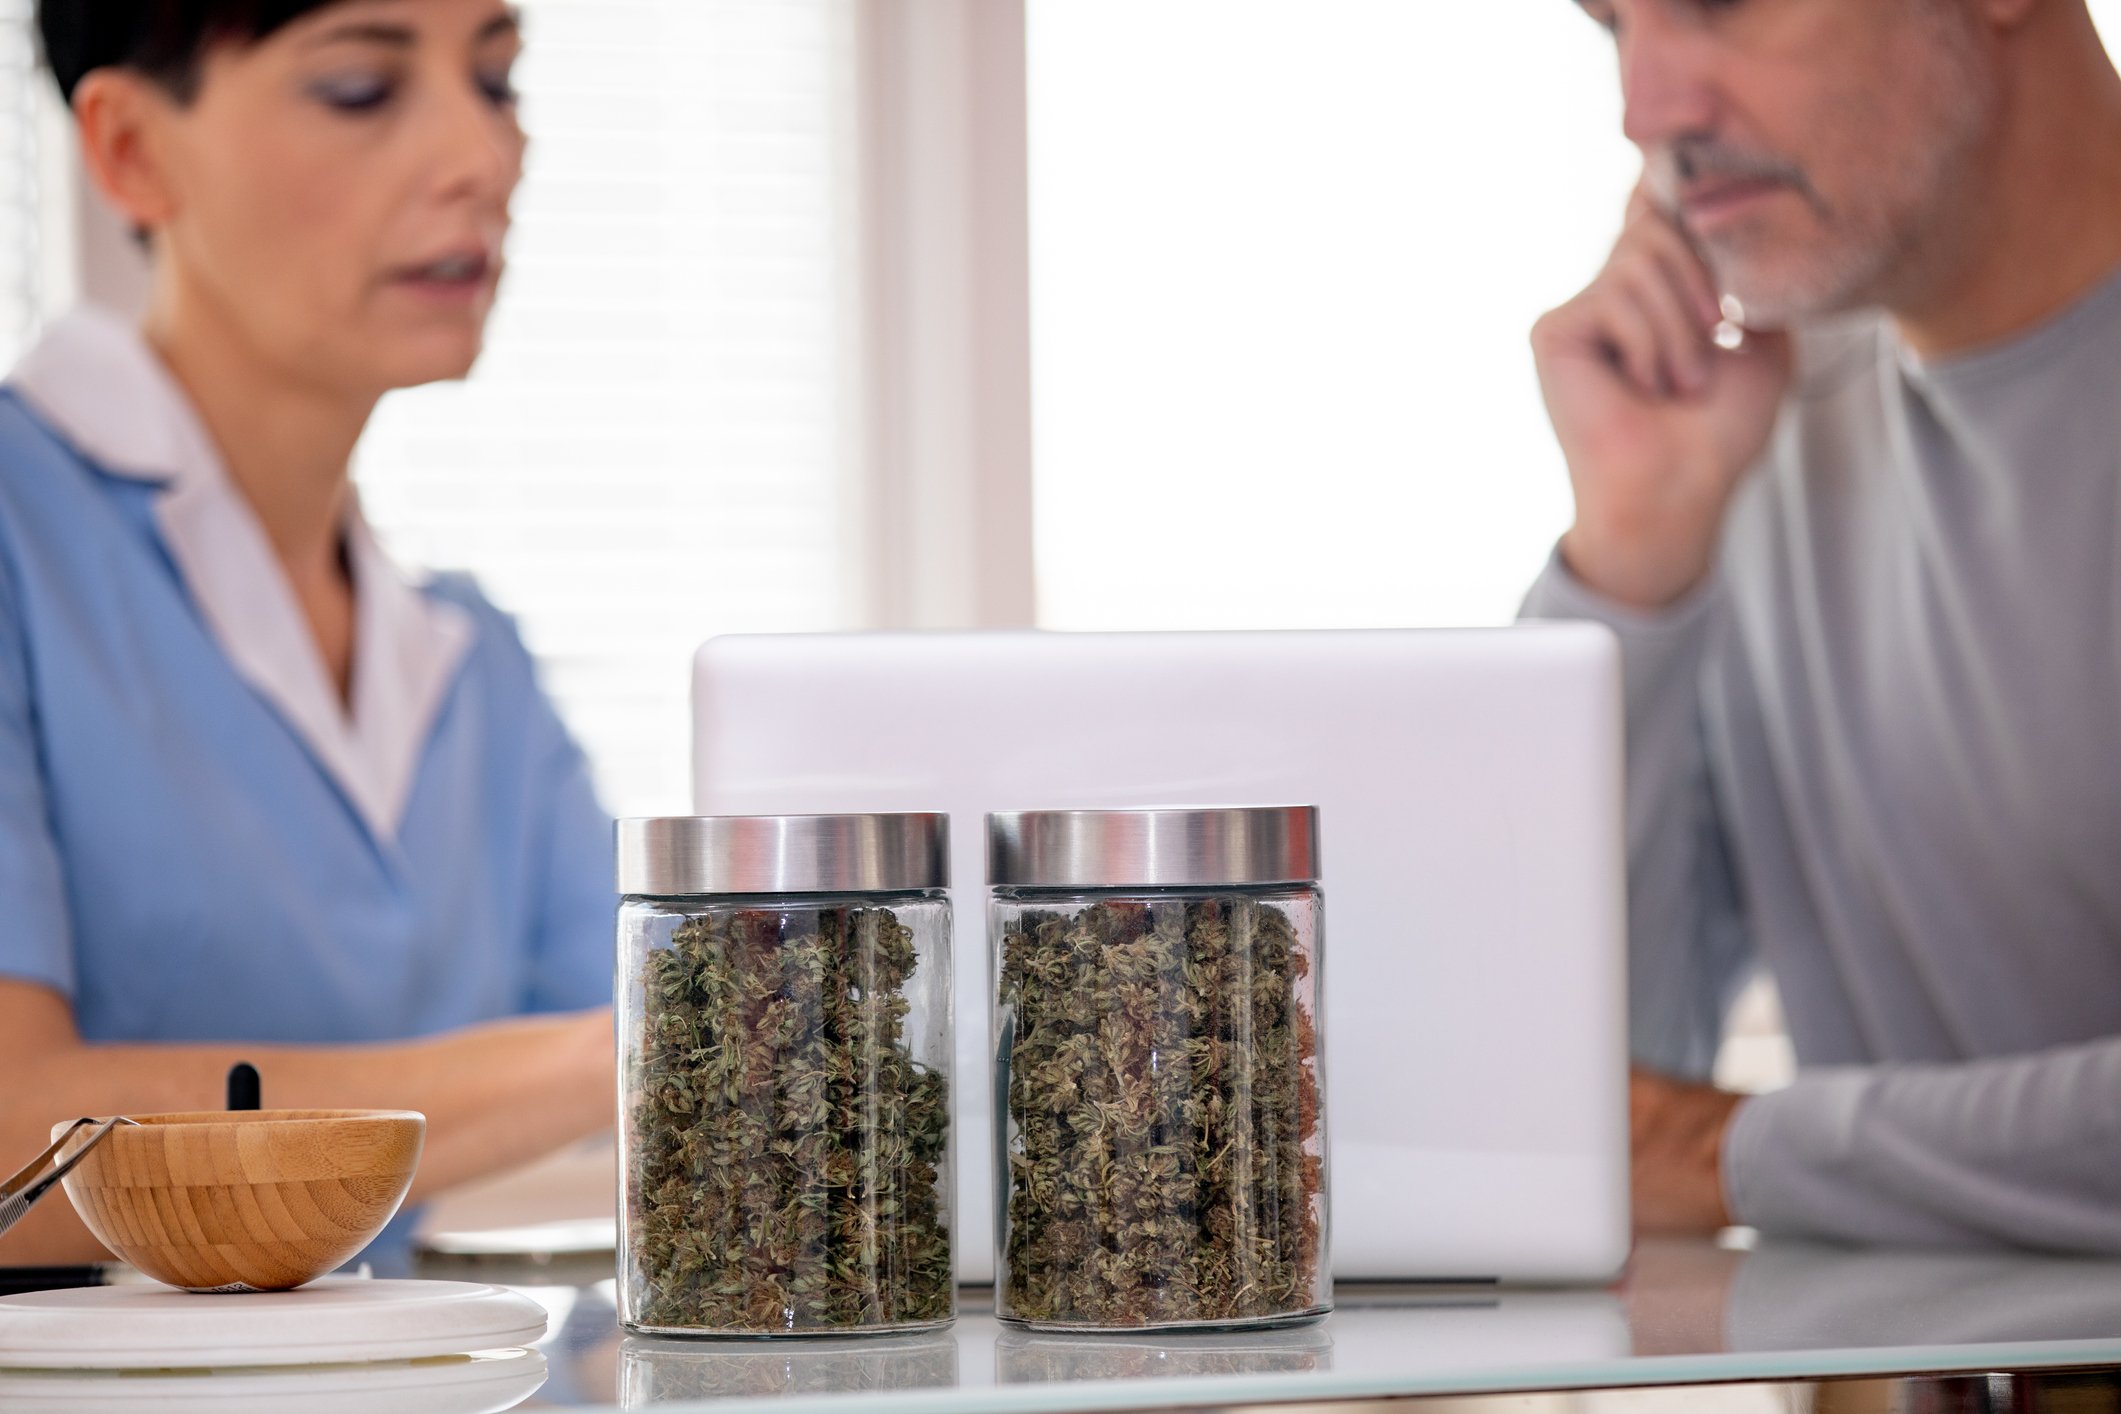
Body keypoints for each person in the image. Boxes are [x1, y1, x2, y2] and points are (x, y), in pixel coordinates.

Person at [0, 0, 616, 1266]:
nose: (482, 158)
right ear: (129, 151)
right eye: (359, 89)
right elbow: (15, 1137)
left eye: (496, 80)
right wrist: (667, 1038)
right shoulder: (25, 543)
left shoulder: (475, 667)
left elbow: (631, 1107)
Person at [1525, 0, 2121, 1249]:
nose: (1647, 110)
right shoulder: (1756, 428)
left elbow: (1668, 1147)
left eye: (1718, 5)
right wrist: (1634, 572)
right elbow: (1576, 1109)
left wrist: (1739, 1154)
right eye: (1613, 25)